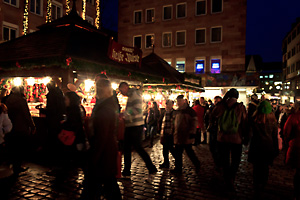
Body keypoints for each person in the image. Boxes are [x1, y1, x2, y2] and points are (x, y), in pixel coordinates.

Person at [82, 79, 121, 200]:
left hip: (103, 152)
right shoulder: (106, 105)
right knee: (108, 182)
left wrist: (94, 157)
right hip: (106, 150)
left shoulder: (105, 108)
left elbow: (102, 135)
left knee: (98, 182)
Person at [211, 88, 249, 191]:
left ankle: (226, 177)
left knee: (225, 159)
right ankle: (231, 177)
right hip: (237, 138)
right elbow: (245, 123)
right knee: (236, 160)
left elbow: (212, 117)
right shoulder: (241, 107)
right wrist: (246, 137)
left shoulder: (220, 106)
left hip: (222, 138)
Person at [119, 82, 157, 177]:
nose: (120, 92)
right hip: (132, 125)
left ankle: (150, 167)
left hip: (135, 125)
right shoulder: (133, 95)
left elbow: (137, 109)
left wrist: (125, 114)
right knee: (128, 148)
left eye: (121, 90)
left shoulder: (134, 95)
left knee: (137, 147)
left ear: (125, 87)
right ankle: (127, 170)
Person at [248, 101, 279, 196]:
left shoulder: (255, 119)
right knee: (265, 167)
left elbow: (250, 134)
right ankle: (263, 183)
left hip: (256, 146)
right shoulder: (273, 121)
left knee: (256, 168)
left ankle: (256, 184)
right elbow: (274, 136)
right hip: (268, 147)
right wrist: (276, 148)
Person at [5, 86, 36, 175]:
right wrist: (32, 126)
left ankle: (13, 164)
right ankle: (17, 166)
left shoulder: (8, 99)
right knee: (20, 147)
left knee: (13, 146)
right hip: (21, 127)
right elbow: (26, 114)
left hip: (10, 127)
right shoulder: (21, 100)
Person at [171, 95, 200, 174]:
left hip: (186, 135)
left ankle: (197, 164)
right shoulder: (177, 111)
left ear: (184, 101)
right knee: (178, 153)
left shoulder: (190, 111)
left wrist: (192, 133)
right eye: (177, 101)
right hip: (178, 135)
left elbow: (194, 123)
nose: (178, 103)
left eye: (179, 101)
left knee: (189, 152)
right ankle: (178, 168)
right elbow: (174, 123)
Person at [283, 102, 300, 200]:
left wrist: (288, 142)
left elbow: (286, 131)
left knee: (298, 172)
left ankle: (296, 193)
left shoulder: (293, 117)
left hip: (297, 146)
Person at [45, 81, 65, 153]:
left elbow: (51, 109)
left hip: (52, 119)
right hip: (59, 118)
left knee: (52, 136)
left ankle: (52, 152)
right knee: (57, 136)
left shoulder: (51, 95)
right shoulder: (59, 93)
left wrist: (43, 110)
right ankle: (57, 152)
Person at [208, 96, 222, 170]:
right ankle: (217, 162)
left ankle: (218, 163)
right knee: (212, 147)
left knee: (216, 147)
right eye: (215, 101)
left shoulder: (221, 109)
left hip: (218, 130)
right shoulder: (212, 109)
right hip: (213, 129)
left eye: (217, 101)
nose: (216, 103)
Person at [160, 100, 175, 169]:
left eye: (169, 104)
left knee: (171, 149)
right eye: (167, 104)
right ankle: (166, 163)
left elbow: (173, 123)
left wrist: (172, 132)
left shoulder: (173, 112)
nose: (167, 106)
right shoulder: (165, 112)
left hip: (170, 133)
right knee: (165, 149)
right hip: (165, 132)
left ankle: (177, 161)